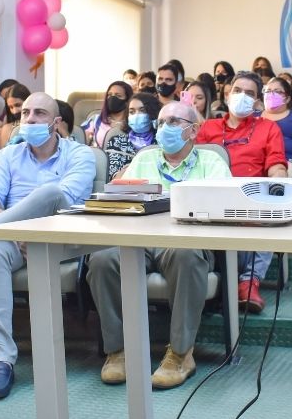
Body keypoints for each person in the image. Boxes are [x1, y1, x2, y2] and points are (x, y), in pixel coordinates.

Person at [88, 102, 230, 389]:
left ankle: (180, 354)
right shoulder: (144, 159)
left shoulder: (212, 163)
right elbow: (121, 202)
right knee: (102, 259)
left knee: (186, 255)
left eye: (174, 121)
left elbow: (222, 207)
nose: (165, 128)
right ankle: (118, 351)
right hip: (139, 239)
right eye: (162, 122)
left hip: (186, 240)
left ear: (193, 130)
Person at [0, 92, 94, 399]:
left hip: (61, 237)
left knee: (50, 192)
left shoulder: (80, 154)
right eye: (25, 114)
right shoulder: (7, 155)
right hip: (12, 239)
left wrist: (22, 229)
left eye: (39, 114)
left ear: (57, 123)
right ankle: (1, 359)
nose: (30, 119)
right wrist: (19, 230)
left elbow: (64, 204)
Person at [197, 71, 287, 312]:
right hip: (211, 202)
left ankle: (248, 283)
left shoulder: (268, 128)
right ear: (227, 95)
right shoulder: (208, 127)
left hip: (250, 201)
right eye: (238, 91)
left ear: (258, 102)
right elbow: (193, 166)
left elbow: (276, 164)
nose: (242, 97)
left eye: (249, 93)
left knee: (269, 216)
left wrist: (278, 185)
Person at [104, 92, 161, 180]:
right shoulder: (117, 142)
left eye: (142, 110)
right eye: (132, 112)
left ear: (153, 113)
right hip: (126, 190)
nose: (137, 115)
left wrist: (130, 168)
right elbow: (115, 179)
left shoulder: (161, 140)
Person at [82, 81, 133, 148]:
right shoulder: (95, 120)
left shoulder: (134, 123)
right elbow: (80, 143)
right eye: (109, 95)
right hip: (98, 157)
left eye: (118, 96)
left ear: (127, 101)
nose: (112, 98)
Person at [0, 84, 30, 150]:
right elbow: (1, 157)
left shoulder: (39, 126)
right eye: (11, 107)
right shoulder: (7, 128)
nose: (14, 111)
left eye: (18, 105)